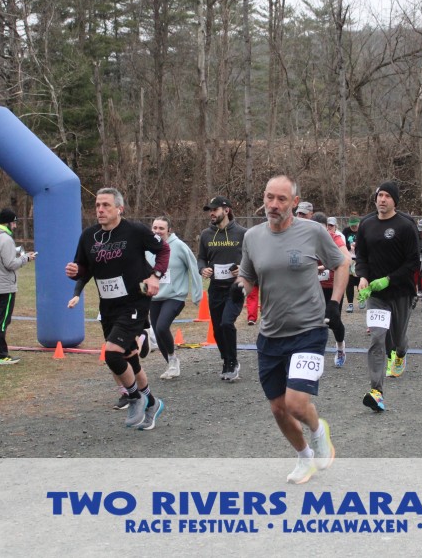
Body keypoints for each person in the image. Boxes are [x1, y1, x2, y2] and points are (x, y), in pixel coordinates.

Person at [236, 175, 348, 483]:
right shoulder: (252, 237)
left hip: (309, 330)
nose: (273, 205)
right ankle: (304, 458)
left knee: (296, 403)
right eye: (269, 197)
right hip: (271, 334)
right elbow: (247, 275)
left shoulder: (312, 231)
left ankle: (318, 431)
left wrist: (335, 303)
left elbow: (342, 262)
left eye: (281, 199)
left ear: (294, 202)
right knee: (278, 408)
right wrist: (239, 289)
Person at [66, 188, 169, 430]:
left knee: (112, 353)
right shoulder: (88, 236)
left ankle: (134, 397)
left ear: (119, 209)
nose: (100, 210)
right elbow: (84, 268)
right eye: (97, 205)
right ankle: (152, 403)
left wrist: (155, 276)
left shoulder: (135, 231)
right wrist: (76, 273)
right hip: (109, 305)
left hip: (134, 302)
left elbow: (163, 250)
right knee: (129, 357)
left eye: (106, 205)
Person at [354, 181, 420, 412]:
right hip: (376, 295)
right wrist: (363, 277)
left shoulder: (405, 226)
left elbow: (413, 262)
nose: (382, 199)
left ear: (395, 201)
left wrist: (389, 279)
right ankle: (377, 392)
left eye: (387, 196)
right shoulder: (366, 224)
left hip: (401, 291)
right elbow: (361, 256)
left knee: (397, 340)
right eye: (379, 195)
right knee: (377, 339)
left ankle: (401, 353)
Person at [197, 196, 247, 381]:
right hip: (215, 288)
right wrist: (203, 269)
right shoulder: (206, 235)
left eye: (215, 210)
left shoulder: (242, 233)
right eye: (210, 210)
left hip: (235, 288)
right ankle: (226, 360)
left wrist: (242, 268)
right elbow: (201, 258)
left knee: (227, 323)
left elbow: (251, 257)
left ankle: (233, 362)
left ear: (226, 210)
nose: (211, 213)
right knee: (217, 329)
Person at [0, 208, 36, 365]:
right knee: (2, 322)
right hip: (4, 288)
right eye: (14, 223)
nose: (15, 226)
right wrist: (26, 258)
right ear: (8, 223)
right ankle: (0, 355)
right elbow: (11, 264)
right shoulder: (5, 239)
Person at [148, 216, 203, 380]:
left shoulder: (179, 246)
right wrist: (142, 293)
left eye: (161, 228)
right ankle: (171, 364)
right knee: (157, 332)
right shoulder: (148, 248)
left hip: (175, 296)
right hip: (154, 297)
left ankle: (173, 360)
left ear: (169, 230)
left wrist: (197, 294)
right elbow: (143, 273)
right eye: (155, 228)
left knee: (161, 327)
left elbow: (194, 268)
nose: (157, 231)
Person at [313, 212, 350, 367]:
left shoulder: (335, 238)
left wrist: (324, 266)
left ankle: (340, 347)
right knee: (314, 321)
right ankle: (313, 354)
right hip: (315, 287)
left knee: (333, 320)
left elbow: (347, 258)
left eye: (323, 230)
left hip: (334, 287)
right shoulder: (306, 239)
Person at [341, 214, 362, 313]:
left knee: (360, 280)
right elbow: (342, 243)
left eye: (355, 225)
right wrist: (350, 247)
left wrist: (357, 246)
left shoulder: (362, 230)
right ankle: (350, 304)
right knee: (349, 282)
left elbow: (366, 243)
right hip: (349, 258)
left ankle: (361, 299)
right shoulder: (346, 231)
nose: (353, 227)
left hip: (359, 259)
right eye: (352, 225)